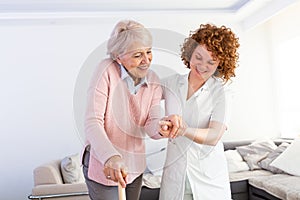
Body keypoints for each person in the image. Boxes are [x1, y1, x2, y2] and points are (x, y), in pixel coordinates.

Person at [82, 20, 164, 200]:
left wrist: (161, 127)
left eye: (149, 52)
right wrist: (110, 157)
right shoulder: (106, 70)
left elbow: (152, 123)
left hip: (135, 164)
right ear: (119, 57)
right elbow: (92, 121)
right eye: (137, 55)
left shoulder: (154, 79)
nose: (146, 60)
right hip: (105, 164)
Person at [159, 23, 240, 200]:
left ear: (221, 64)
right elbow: (141, 97)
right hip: (175, 175)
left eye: (212, 62)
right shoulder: (170, 83)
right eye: (198, 57)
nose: (202, 66)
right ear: (189, 54)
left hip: (208, 179)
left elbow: (214, 136)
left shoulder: (222, 91)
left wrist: (183, 130)